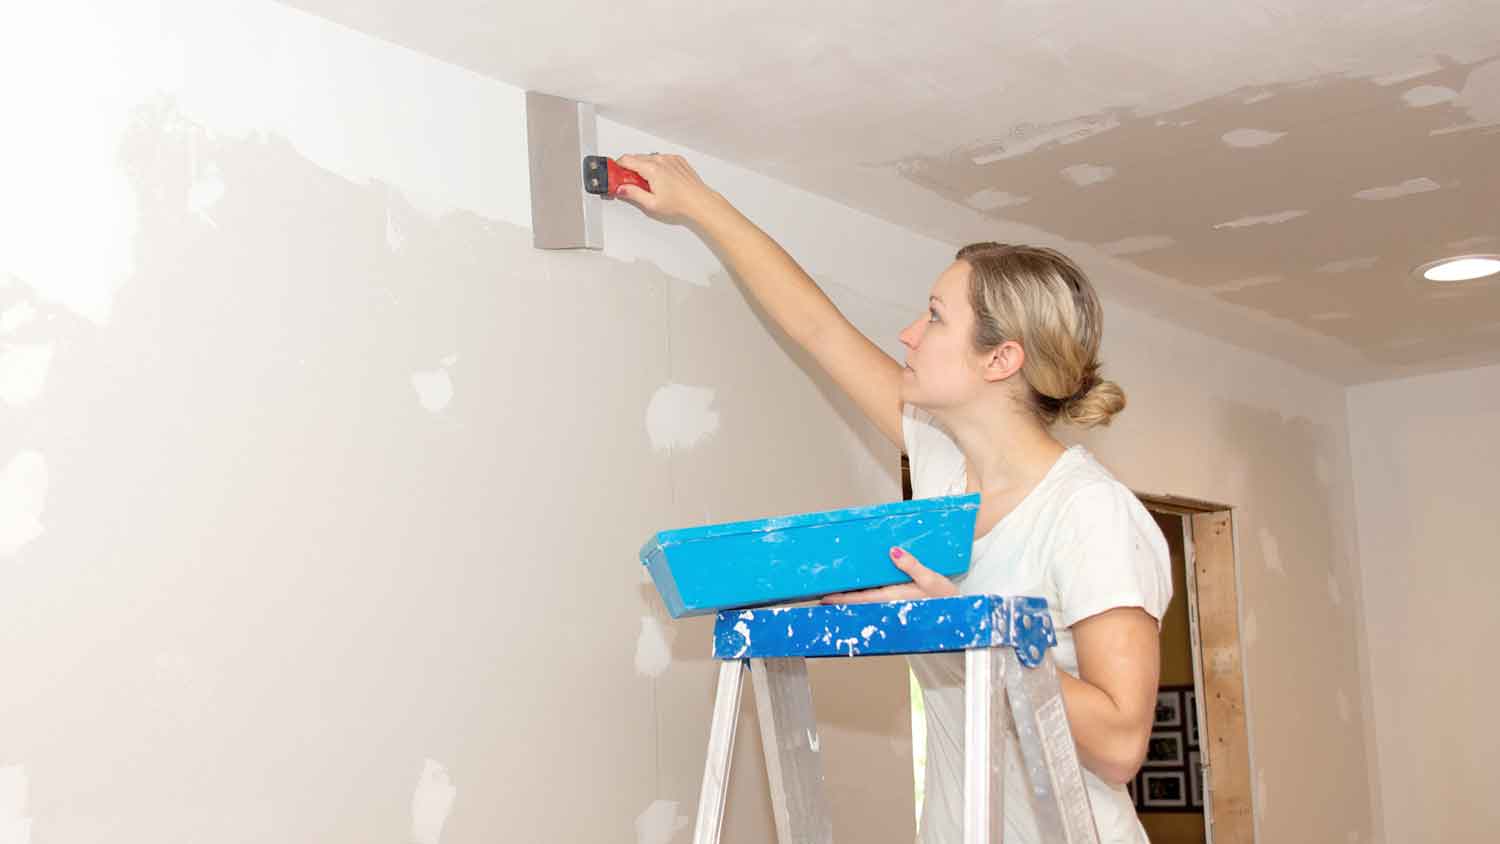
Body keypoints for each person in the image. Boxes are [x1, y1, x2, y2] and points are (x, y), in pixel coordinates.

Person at [615, 153, 1172, 843]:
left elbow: (1121, 743)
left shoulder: (1089, 513)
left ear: (1001, 360)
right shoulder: (943, 467)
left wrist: (965, 623)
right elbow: (818, 328)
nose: (909, 333)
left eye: (935, 318)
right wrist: (698, 202)